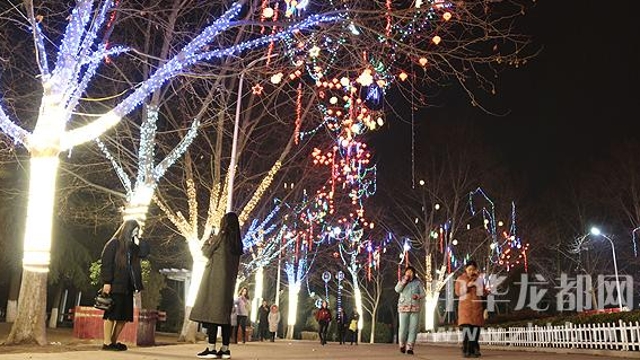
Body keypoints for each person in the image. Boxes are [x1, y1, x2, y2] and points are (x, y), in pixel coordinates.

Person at [190, 213, 244, 359]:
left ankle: (211, 348)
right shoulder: (237, 243)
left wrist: (208, 240)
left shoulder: (221, 237)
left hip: (214, 281)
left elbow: (206, 252)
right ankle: (225, 349)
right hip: (229, 284)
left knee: (212, 313)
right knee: (225, 316)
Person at [100, 220, 149, 351]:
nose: (136, 232)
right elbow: (106, 263)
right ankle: (107, 342)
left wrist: (139, 239)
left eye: (138, 231)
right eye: (134, 230)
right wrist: (107, 282)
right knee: (112, 314)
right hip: (115, 284)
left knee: (124, 317)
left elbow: (144, 253)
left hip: (128, 286)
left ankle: (113, 341)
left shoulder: (133, 247)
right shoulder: (114, 243)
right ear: (128, 229)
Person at [455, 260, 488, 358]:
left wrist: (486, 290)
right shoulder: (460, 279)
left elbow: (483, 293)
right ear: (466, 269)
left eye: (473, 269)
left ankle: (474, 349)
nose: (471, 271)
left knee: (475, 331)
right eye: (469, 269)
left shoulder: (479, 279)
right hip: (465, 308)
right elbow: (457, 292)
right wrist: (467, 286)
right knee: (467, 330)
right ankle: (466, 349)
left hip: (477, 308)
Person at [395, 266, 425, 355]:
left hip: (415, 308)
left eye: (411, 272)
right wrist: (404, 281)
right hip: (403, 307)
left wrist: (418, 296)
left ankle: (410, 347)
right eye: (408, 272)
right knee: (403, 328)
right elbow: (397, 290)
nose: (409, 273)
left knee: (413, 328)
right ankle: (402, 344)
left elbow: (423, 294)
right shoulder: (402, 281)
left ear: (414, 273)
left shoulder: (418, 283)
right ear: (405, 273)